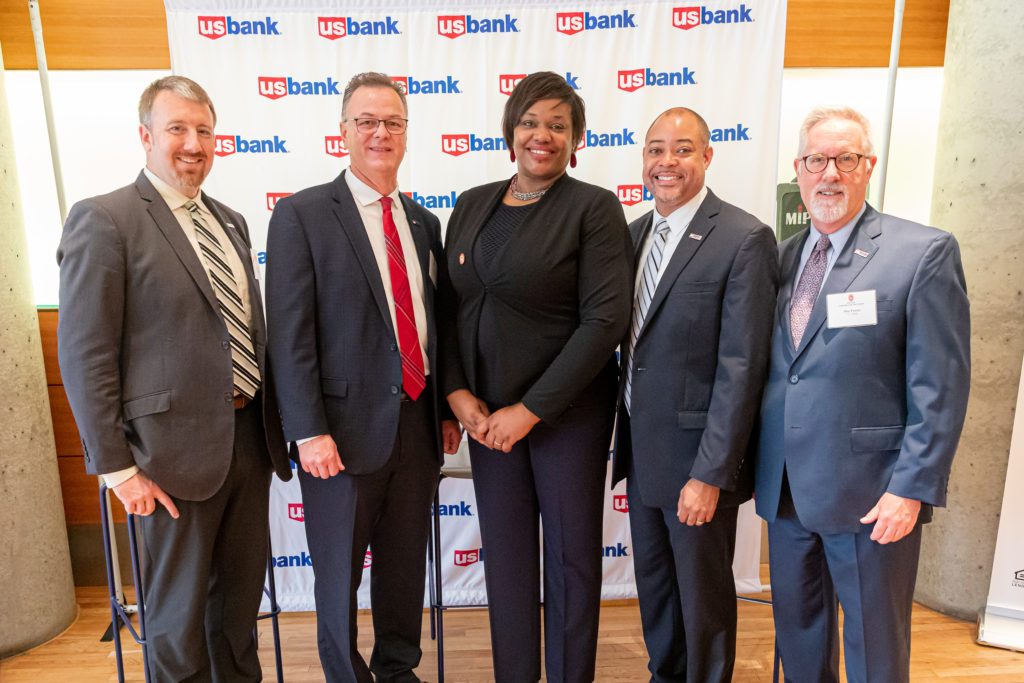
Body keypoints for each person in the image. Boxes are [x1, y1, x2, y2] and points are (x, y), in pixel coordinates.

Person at [56, 75, 292, 680]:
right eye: (177, 129)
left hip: (246, 446)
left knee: (237, 620)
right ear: (145, 136)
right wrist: (119, 470)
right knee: (176, 629)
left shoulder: (231, 221)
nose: (193, 143)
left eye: (204, 130)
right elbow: (85, 354)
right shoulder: (104, 218)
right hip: (164, 461)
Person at [755, 105, 971, 683]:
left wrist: (911, 488)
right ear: (798, 170)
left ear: (868, 166)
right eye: (817, 160)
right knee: (800, 642)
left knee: (875, 649)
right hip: (787, 494)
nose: (830, 173)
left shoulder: (921, 252)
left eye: (845, 159)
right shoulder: (781, 259)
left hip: (873, 497)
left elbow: (940, 386)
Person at [265, 72, 460, 683]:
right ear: (342, 132)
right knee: (338, 573)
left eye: (393, 122)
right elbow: (290, 337)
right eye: (367, 121)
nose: (381, 132)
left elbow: (436, 325)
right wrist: (307, 430)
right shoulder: (301, 215)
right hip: (340, 437)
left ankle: (399, 670)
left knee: (404, 569)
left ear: (407, 134)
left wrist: (447, 410)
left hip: (419, 427)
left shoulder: (424, 223)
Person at [438, 71, 632, 683]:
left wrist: (530, 411)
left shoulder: (593, 207)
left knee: (573, 563)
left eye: (557, 125)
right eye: (529, 121)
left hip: (565, 419)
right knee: (508, 562)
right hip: (488, 419)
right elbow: (449, 308)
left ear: (575, 140)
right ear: (510, 131)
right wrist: (457, 394)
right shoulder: (472, 203)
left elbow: (605, 322)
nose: (541, 135)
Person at [610, 107, 778, 682]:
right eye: (656, 149)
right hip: (642, 453)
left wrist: (711, 474)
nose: (667, 161)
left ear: (708, 156)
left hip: (696, 463)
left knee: (703, 600)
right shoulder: (631, 235)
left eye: (682, 149)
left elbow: (742, 365)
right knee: (656, 592)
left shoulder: (743, 237)